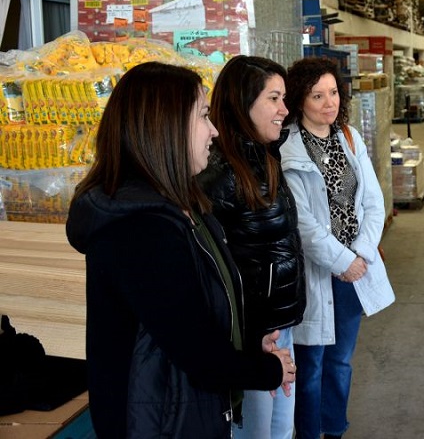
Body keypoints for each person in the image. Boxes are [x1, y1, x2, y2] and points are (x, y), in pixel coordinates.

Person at [66, 62, 296, 438]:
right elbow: (195, 351)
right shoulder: (140, 229)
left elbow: (193, 307)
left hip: (180, 409)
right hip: (158, 421)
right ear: (166, 128)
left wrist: (247, 337)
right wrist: (267, 370)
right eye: (203, 116)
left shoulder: (179, 204)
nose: (214, 130)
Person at [280, 57, 395, 439]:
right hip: (316, 273)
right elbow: (302, 224)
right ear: (299, 100)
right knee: (310, 365)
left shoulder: (348, 136)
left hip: (354, 272)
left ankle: (334, 430)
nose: (329, 103)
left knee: (341, 362)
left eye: (333, 93)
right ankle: (309, 432)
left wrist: (361, 254)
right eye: (317, 95)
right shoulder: (287, 149)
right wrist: (342, 260)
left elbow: (373, 202)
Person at [197, 56, 306, 439]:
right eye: (274, 99)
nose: (284, 110)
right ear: (244, 104)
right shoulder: (219, 173)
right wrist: (252, 333)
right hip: (251, 335)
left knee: (279, 432)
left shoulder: (265, 156)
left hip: (279, 325)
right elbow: (215, 269)